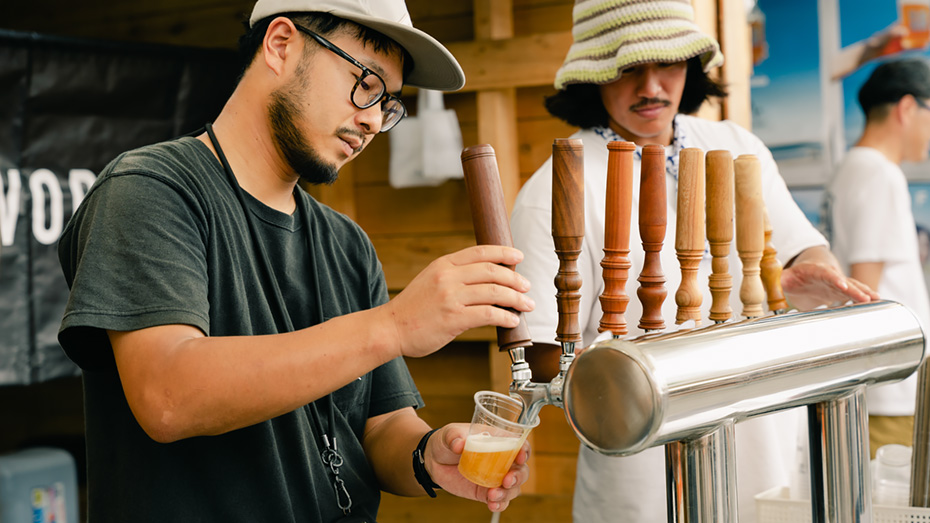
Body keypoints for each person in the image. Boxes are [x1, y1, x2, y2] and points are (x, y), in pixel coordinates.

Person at [56, 0, 537, 521]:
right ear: (281, 45)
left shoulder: (346, 243)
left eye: (390, 103)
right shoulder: (151, 191)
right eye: (366, 82)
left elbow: (379, 426)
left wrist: (429, 455)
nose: (374, 119)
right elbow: (168, 396)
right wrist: (394, 325)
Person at [509, 1, 877, 521]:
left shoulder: (731, 143)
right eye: (628, 68)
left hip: (765, 447)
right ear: (591, 75)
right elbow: (545, 353)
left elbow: (803, 249)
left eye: (669, 63)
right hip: (645, 467)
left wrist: (808, 275)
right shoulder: (557, 187)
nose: (652, 87)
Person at [823, 58, 930, 458]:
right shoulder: (879, 173)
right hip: (891, 384)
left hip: (878, 379)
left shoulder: (850, 168)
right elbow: (865, 287)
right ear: (907, 108)